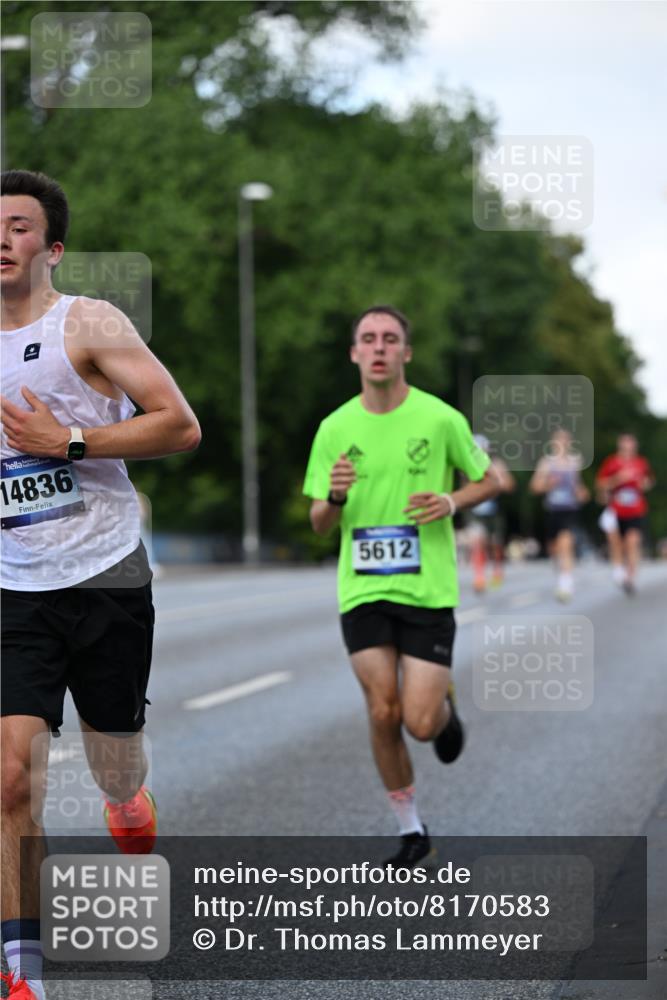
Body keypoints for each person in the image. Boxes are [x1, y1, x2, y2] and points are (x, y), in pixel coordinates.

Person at [0, 170, 201, 999]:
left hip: (107, 571)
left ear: (51, 248)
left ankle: (127, 799)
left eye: (17, 227)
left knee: (113, 759)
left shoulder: (88, 322)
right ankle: (22, 974)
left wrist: (71, 441)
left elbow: (179, 426)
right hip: (16, 586)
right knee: (12, 777)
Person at [303, 305, 498, 868]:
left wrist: (452, 500)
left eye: (391, 338)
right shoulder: (334, 428)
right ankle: (412, 828)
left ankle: (442, 709)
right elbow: (320, 521)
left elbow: (493, 478)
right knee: (382, 710)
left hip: (428, 590)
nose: (380, 346)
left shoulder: (439, 419)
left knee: (417, 720)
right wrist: (335, 497)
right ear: (355, 353)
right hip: (362, 591)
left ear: (406, 353)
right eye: (369, 338)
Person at [529, 428, 589, 602]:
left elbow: (578, 485)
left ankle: (566, 583)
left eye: (565, 441)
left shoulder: (575, 462)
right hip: (552, 510)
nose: (562, 444)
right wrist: (548, 484)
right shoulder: (546, 463)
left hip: (569, 509)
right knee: (554, 549)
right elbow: (534, 487)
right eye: (559, 441)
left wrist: (582, 493)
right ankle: (561, 571)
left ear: (569, 443)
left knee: (566, 542)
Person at [596, 433, 655, 595]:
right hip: (616, 511)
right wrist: (618, 479)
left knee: (633, 542)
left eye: (631, 444)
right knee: (617, 544)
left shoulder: (641, 463)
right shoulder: (612, 462)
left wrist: (646, 484)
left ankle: (630, 576)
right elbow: (601, 484)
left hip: (636, 510)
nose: (628, 448)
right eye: (625, 444)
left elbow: (648, 481)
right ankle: (618, 569)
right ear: (620, 446)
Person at [468, 434, 515, 593]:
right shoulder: (469, 465)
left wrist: (495, 481)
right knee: (477, 542)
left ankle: (496, 571)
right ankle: (479, 577)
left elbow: (509, 485)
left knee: (495, 544)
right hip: (477, 511)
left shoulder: (496, 464)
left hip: (494, 510)